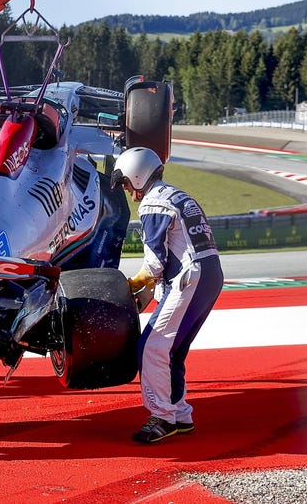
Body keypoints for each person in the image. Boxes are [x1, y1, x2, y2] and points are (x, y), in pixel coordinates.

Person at [111, 147, 224, 444]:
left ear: (137, 175)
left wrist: (132, 283)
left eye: (125, 183)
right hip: (210, 273)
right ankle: (180, 414)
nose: (127, 190)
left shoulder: (153, 204)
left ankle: (162, 418)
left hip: (191, 277)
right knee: (172, 350)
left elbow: (155, 263)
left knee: (151, 347)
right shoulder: (178, 195)